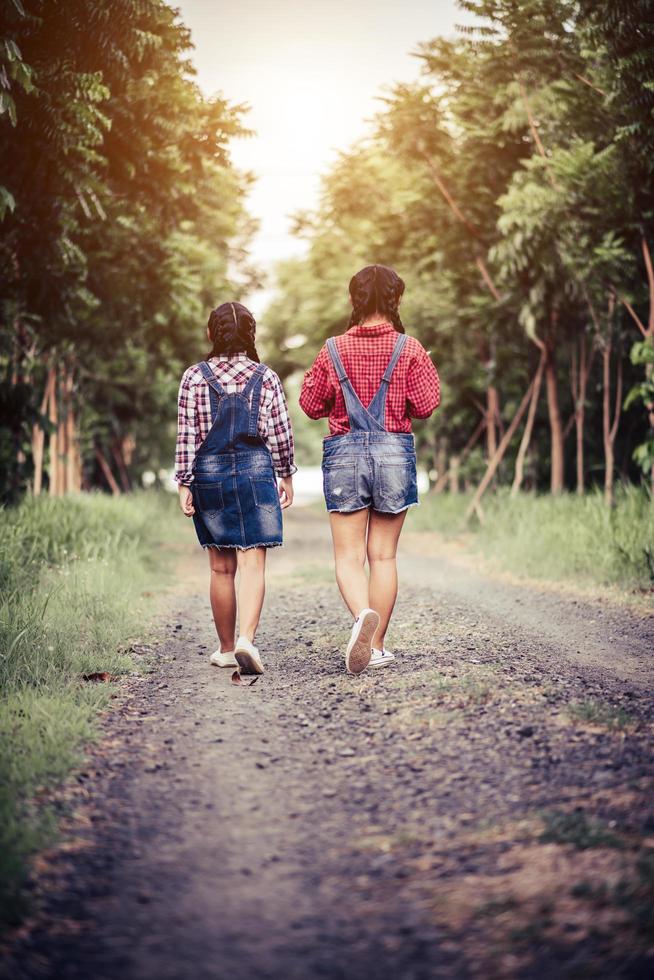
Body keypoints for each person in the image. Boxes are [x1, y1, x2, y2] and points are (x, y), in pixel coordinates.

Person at [299, 265, 440, 675]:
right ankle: (375, 646)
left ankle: (363, 615)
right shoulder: (410, 348)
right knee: (383, 555)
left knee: (347, 557)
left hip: (345, 455)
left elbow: (310, 405)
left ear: (354, 300)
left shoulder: (332, 349)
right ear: (396, 300)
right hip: (394, 453)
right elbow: (426, 406)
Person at [175, 302, 296, 675]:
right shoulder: (266, 376)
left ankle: (227, 649)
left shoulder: (194, 377)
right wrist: (286, 474)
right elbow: (280, 433)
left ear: (211, 334)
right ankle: (247, 639)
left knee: (221, 568)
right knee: (252, 561)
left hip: (209, 474)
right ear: (251, 335)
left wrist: (184, 482)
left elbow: (187, 436)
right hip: (255, 473)